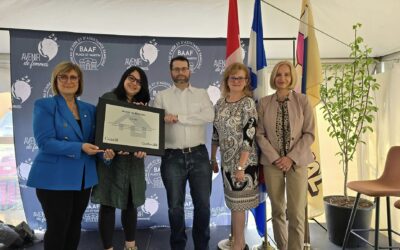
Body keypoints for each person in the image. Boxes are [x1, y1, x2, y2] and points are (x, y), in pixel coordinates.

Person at [27, 61, 114, 250]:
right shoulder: (45, 105)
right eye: (63, 77)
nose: (68, 81)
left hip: (82, 179)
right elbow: (45, 143)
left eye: (73, 77)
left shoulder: (90, 109)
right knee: (58, 228)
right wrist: (80, 147)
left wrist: (105, 154)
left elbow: (96, 143)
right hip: (54, 178)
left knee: (75, 227)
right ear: (56, 80)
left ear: (79, 81)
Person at [153, 56, 214, 250]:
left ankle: (201, 246)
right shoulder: (161, 96)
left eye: (184, 69)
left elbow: (208, 116)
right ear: (171, 72)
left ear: (190, 71)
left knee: (203, 206)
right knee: (175, 208)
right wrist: (163, 119)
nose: (180, 72)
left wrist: (178, 118)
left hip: (199, 154)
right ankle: (178, 246)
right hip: (172, 156)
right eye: (176, 69)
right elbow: (154, 122)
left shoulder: (201, 93)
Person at [256, 61, 315, 250]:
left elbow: (309, 133)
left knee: (297, 212)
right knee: (278, 210)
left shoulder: (303, 101)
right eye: (279, 75)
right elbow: (259, 134)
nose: (282, 78)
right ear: (273, 77)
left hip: (297, 163)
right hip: (272, 163)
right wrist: (275, 158)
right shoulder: (264, 102)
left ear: (292, 78)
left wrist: (291, 158)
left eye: (286, 75)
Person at [91, 66, 150, 250]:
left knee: (131, 204)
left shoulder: (143, 107)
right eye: (131, 78)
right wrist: (109, 149)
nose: (134, 83)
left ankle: (130, 245)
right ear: (123, 79)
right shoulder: (109, 98)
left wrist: (143, 149)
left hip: (133, 164)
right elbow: (100, 130)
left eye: (139, 81)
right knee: (108, 204)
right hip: (111, 162)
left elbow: (146, 137)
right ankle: (108, 247)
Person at [210, 62, 259, 250]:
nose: (237, 81)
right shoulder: (220, 103)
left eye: (241, 78)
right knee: (232, 204)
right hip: (226, 163)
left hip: (244, 164)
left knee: (239, 207)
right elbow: (215, 134)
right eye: (233, 77)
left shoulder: (248, 103)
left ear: (246, 81)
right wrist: (213, 158)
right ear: (227, 80)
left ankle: (239, 244)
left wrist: (241, 166)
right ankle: (235, 240)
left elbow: (249, 136)